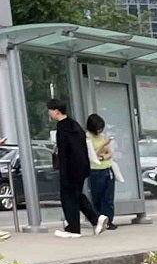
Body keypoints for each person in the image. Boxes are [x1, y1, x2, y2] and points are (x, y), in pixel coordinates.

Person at [47, 99, 106, 239]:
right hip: (81, 168)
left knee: (68, 197)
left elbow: (64, 153)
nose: (49, 113)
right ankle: (96, 218)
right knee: (76, 196)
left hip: (70, 169)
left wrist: (64, 173)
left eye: (50, 110)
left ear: (56, 111)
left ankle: (73, 229)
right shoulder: (75, 125)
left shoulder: (62, 128)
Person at [85, 113, 119, 230]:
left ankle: (109, 220)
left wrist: (102, 157)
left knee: (108, 197)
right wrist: (102, 147)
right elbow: (91, 154)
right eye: (98, 129)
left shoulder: (102, 136)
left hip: (107, 168)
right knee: (97, 197)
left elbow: (109, 153)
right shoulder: (87, 137)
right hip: (95, 171)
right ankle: (99, 219)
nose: (100, 131)